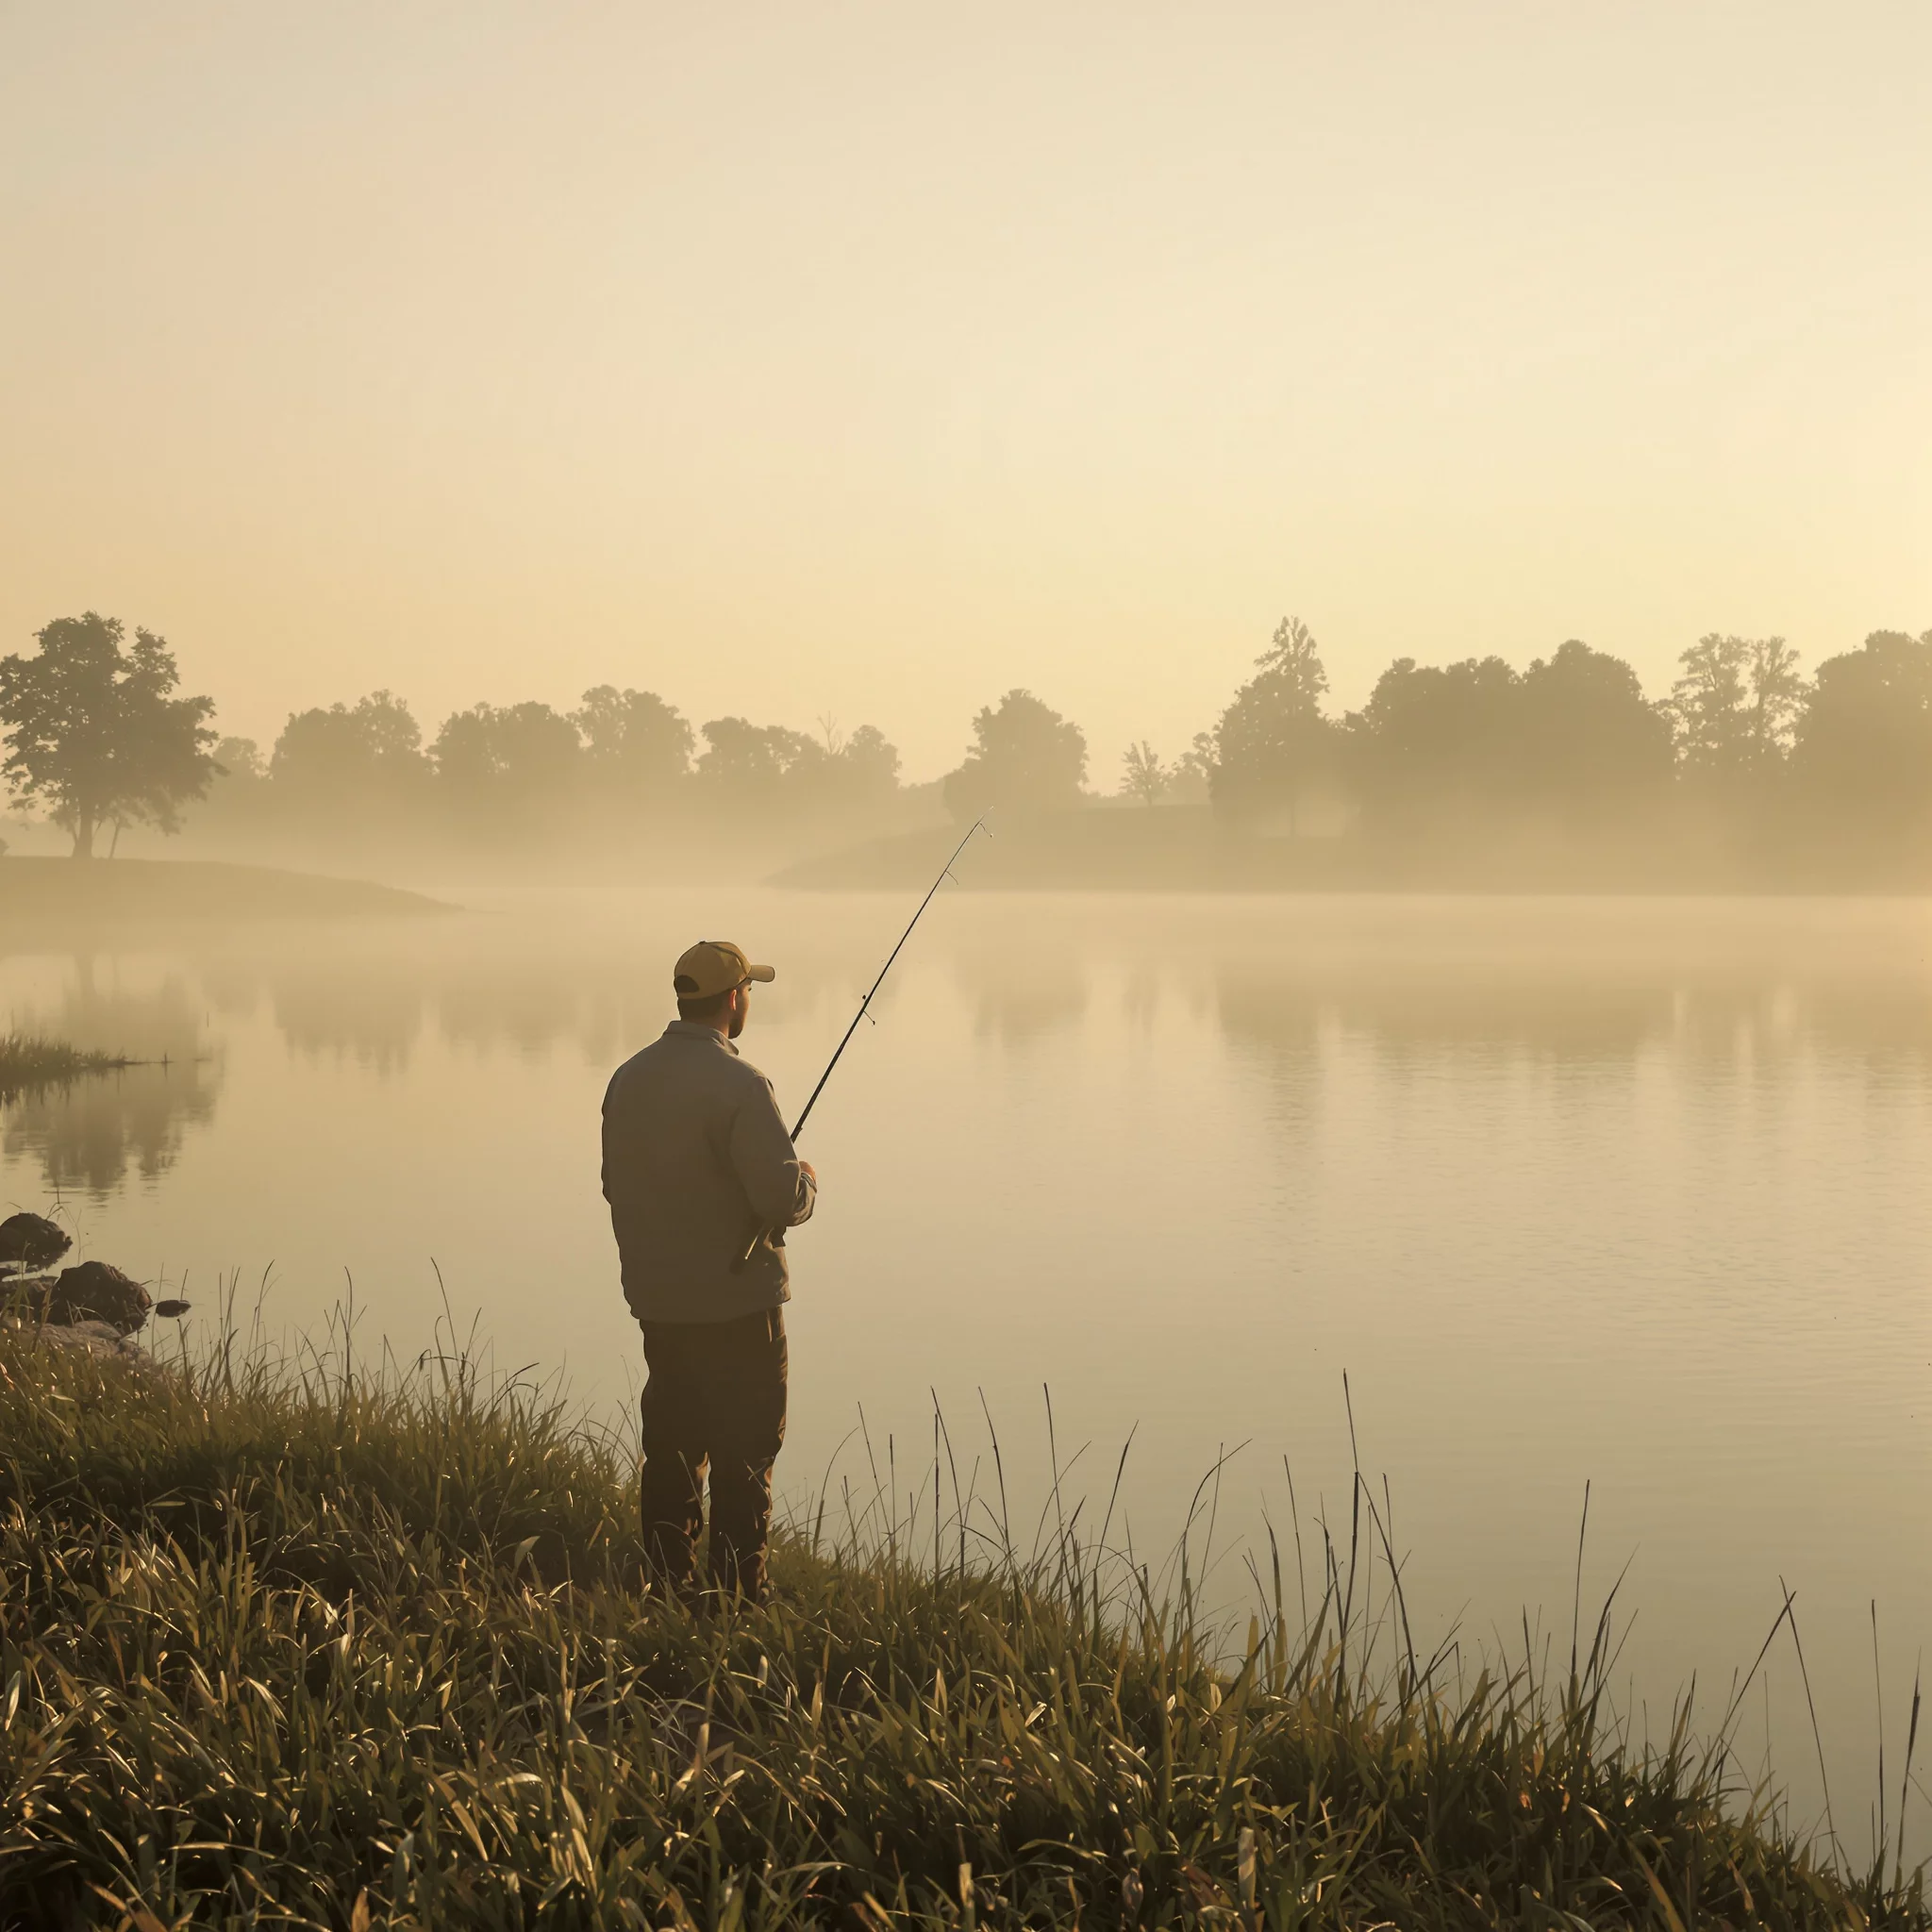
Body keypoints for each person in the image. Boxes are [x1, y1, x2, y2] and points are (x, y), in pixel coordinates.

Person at [601, 939, 817, 1602]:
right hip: (739, 1310)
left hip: (660, 1306)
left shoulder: (628, 1078)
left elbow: (616, 1186)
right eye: (748, 989)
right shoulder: (742, 1084)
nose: (747, 999)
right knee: (745, 1455)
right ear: (732, 998)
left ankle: (667, 1589)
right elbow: (780, 1199)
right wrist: (806, 1182)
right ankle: (735, 1602)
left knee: (670, 1449)